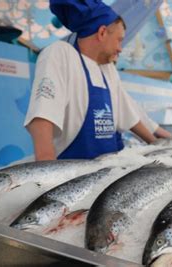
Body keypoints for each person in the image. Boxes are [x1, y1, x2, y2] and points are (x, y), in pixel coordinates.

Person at [24, 0, 156, 160]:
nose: (120, 48)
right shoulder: (61, 53)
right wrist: (46, 172)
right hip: (74, 174)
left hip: (110, 171)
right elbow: (42, 116)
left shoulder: (108, 69)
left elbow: (128, 116)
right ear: (102, 33)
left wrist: (158, 145)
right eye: (119, 40)